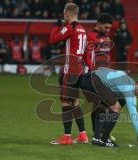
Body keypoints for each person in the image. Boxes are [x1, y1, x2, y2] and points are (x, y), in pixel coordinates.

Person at [79, 67, 138, 147]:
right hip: (94, 80)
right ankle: (104, 140)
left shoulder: (129, 82)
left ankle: (97, 138)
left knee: (107, 106)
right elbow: (133, 113)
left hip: (88, 79)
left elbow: (103, 69)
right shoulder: (128, 89)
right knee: (116, 107)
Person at [49, 2, 88, 145]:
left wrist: (56, 26)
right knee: (75, 102)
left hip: (69, 69)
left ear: (67, 14)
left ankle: (67, 137)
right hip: (79, 68)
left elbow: (52, 40)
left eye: (64, 14)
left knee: (65, 101)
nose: (63, 16)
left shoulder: (70, 27)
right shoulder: (82, 29)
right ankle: (83, 135)